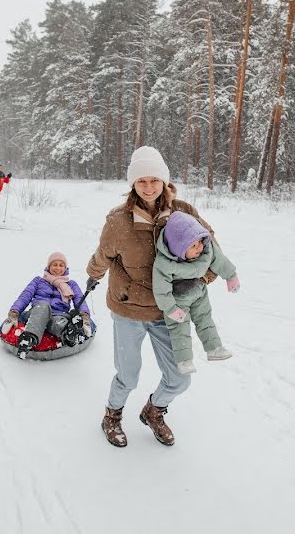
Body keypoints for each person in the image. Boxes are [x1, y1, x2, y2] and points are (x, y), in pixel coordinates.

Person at [87, 146, 217, 448]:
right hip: (128, 310)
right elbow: (103, 255)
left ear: (164, 181)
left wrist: (200, 281)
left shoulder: (183, 213)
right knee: (128, 375)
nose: (148, 187)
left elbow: (213, 251)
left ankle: (154, 410)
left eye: (154, 180)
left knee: (180, 377)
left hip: (166, 312)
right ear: (133, 183)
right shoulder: (119, 220)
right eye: (141, 181)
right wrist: (93, 274)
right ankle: (112, 415)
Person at [153, 211, 240, 375]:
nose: (199, 247)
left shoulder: (206, 251)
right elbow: (161, 290)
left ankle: (214, 349)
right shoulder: (164, 264)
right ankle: (184, 360)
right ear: (178, 248)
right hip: (177, 299)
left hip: (199, 291)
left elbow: (219, 260)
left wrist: (231, 276)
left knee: (205, 318)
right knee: (179, 328)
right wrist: (171, 309)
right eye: (193, 246)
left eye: (200, 242)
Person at [2, 252, 92, 356]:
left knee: (59, 322)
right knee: (43, 306)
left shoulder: (71, 284)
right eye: (54, 264)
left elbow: (79, 299)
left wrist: (84, 314)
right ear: (49, 266)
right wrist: (14, 311)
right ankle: (29, 339)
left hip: (59, 315)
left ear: (65, 268)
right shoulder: (38, 281)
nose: (57, 268)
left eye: (61, 265)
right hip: (37, 313)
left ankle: (69, 334)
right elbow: (25, 296)